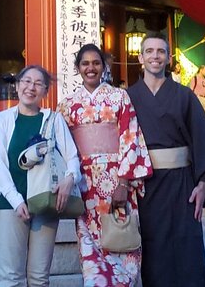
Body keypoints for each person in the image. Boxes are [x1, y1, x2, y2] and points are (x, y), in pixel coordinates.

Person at [127, 33, 205, 287]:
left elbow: (201, 138)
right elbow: (121, 141)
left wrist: (202, 183)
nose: (155, 56)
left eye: (160, 52)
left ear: (169, 58)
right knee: (152, 246)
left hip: (183, 183)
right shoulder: (128, 97)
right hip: (145, 185)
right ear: (141, 58)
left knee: (186, 245)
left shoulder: (184, 95)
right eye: (149, 51)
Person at [57, 44, 153, 287]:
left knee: (123, 247)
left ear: (104, 67)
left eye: (96, 63)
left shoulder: (120, 97)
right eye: (85, 63)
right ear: (78, 68)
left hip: (116, 183)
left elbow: (130, 138)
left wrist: (124, 182)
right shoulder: (67, 105)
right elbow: (61, 149)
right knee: (91, 260)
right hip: (84, 186)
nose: (91, 68)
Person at [0, 65, 81, 287]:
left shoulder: (53, 120)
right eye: (26, 81)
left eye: (38, 84)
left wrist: (69, 179)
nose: (31, 87)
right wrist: (17, 200)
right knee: (11, 277)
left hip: (46, 201)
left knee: (39, 277)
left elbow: (72, 157)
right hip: (9, 204)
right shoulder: (0, 120)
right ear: (17, 86)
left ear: (45, 91)